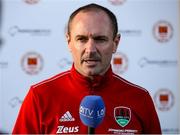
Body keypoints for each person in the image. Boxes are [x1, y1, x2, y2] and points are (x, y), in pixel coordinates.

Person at [12, 3, 161, 134]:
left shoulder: (140, 99)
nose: (90, 49)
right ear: (69, 42)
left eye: (100, 39)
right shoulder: (39, 96)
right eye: (81, 39)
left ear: (115, 43)